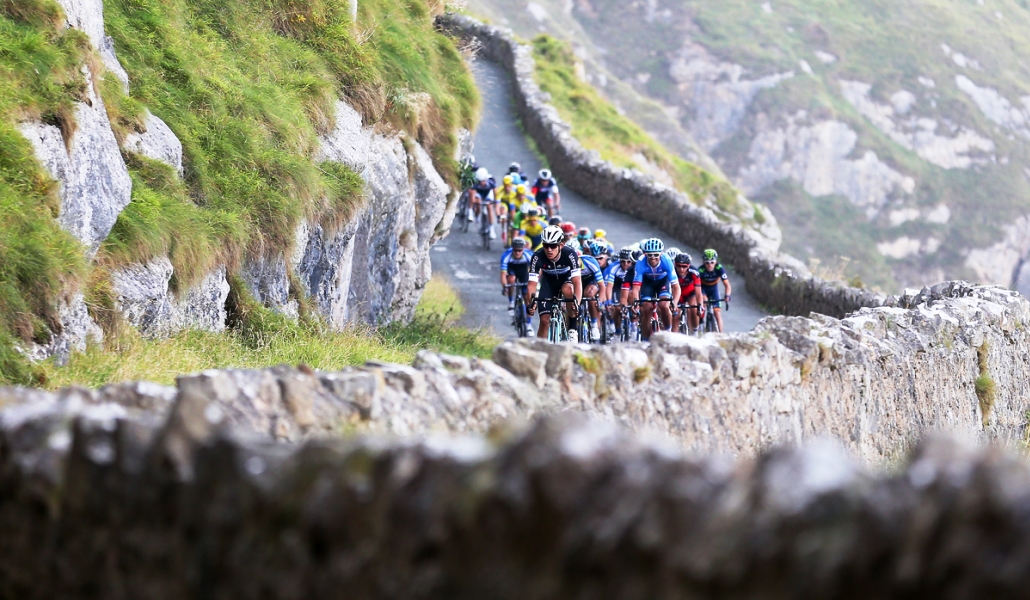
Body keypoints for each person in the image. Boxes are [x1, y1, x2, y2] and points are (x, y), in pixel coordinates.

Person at [527, 225, 583, 342]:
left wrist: (576, 302)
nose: (549, 250)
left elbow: (577, 282)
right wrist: (530, 303)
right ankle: (539, 351)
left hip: (565, 280)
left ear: (561, 245)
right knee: (544, 321)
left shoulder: (570, 254)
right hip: (548, 283)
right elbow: (532, 284)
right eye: (546, 245)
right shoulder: (537, 256)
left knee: (569, 290)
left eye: (553, 246)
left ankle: (572, 328)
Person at [630, 238, 680, 341]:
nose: (653, 258)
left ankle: (668, 332)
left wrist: (674, 302)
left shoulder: (666, 261)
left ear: (661, 254)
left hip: (662, 282)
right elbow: (636, 288)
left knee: (664, 305)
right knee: (646, 308)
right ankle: (645, 339)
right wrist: (636, 303)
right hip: (648, 283)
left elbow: (676, 287)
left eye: (656, 255)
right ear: (645, 254)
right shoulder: (640, 262)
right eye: (650, 255)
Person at [579, 240, 608, 340]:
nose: (598, 261)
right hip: (579, 281)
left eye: (600, 258)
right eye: (595, 258)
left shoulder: (608, 265)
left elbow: (603, 286)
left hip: (593, 281)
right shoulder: (587, 261)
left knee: (590, 294)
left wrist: (601, 302)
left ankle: (594, 324)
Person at [500, 238, 533, 325]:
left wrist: (535, 284)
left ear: (523, 249)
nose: (517, 252)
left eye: (520, 250)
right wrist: (505, 287)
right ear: (512, 249)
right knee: (511, 279)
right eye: (515, 250)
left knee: (527, 298)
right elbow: (503, 274)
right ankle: (511, 301)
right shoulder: (506, 255)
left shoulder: (529, 255)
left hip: (523, 272)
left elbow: (537, 271)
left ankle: (529, 324)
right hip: (512, 270)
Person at [698, 249, 731, 332]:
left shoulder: (719, 268)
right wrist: (702, 296)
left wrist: (727, 295)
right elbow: (696, 286)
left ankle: (721, 335)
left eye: (712, 262)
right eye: (707, 263)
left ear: (715, 262)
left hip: (714, 290)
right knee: (703, 304)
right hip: (703, 289)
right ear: (703, 262)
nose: (710, 265)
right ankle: (700, 323)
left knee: (717, 313)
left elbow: (727, 285)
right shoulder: (700, 270)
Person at [671, 253, 704, 334]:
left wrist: (700, 305)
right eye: (679, 266)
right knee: (676, 315)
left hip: (690, 293)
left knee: (694, 308)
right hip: (678, 294)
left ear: (688, 266)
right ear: (675, 265)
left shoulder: (694, 272)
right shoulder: (672, 271)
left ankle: (695, 331)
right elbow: (670, 289)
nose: (681, 269)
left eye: (684, 266)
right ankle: (674, 337)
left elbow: (698, 292)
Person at [607, 247, 636, 336]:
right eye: (623, 261)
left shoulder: (636, 268)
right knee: (617, 308)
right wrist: (609, 301)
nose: (625, 264)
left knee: (633, 302)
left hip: (630, 286)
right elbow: (609, 286)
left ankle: (634, 325)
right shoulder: (613, 267)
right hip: (617, 287)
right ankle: (618, 331)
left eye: (628, 262)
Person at [469, 168, 497, 239]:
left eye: (484, 181)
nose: (482, 183)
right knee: (478, 201)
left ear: (486, 179)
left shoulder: (491, 181)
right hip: (479, 194)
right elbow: (473, 194)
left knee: (489, 207)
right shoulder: (475, 182)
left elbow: (495, 192)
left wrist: (495, 202)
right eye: (480, 181)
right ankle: (476, 215)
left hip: (488, 193)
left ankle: (491, 228)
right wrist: (474, 203)